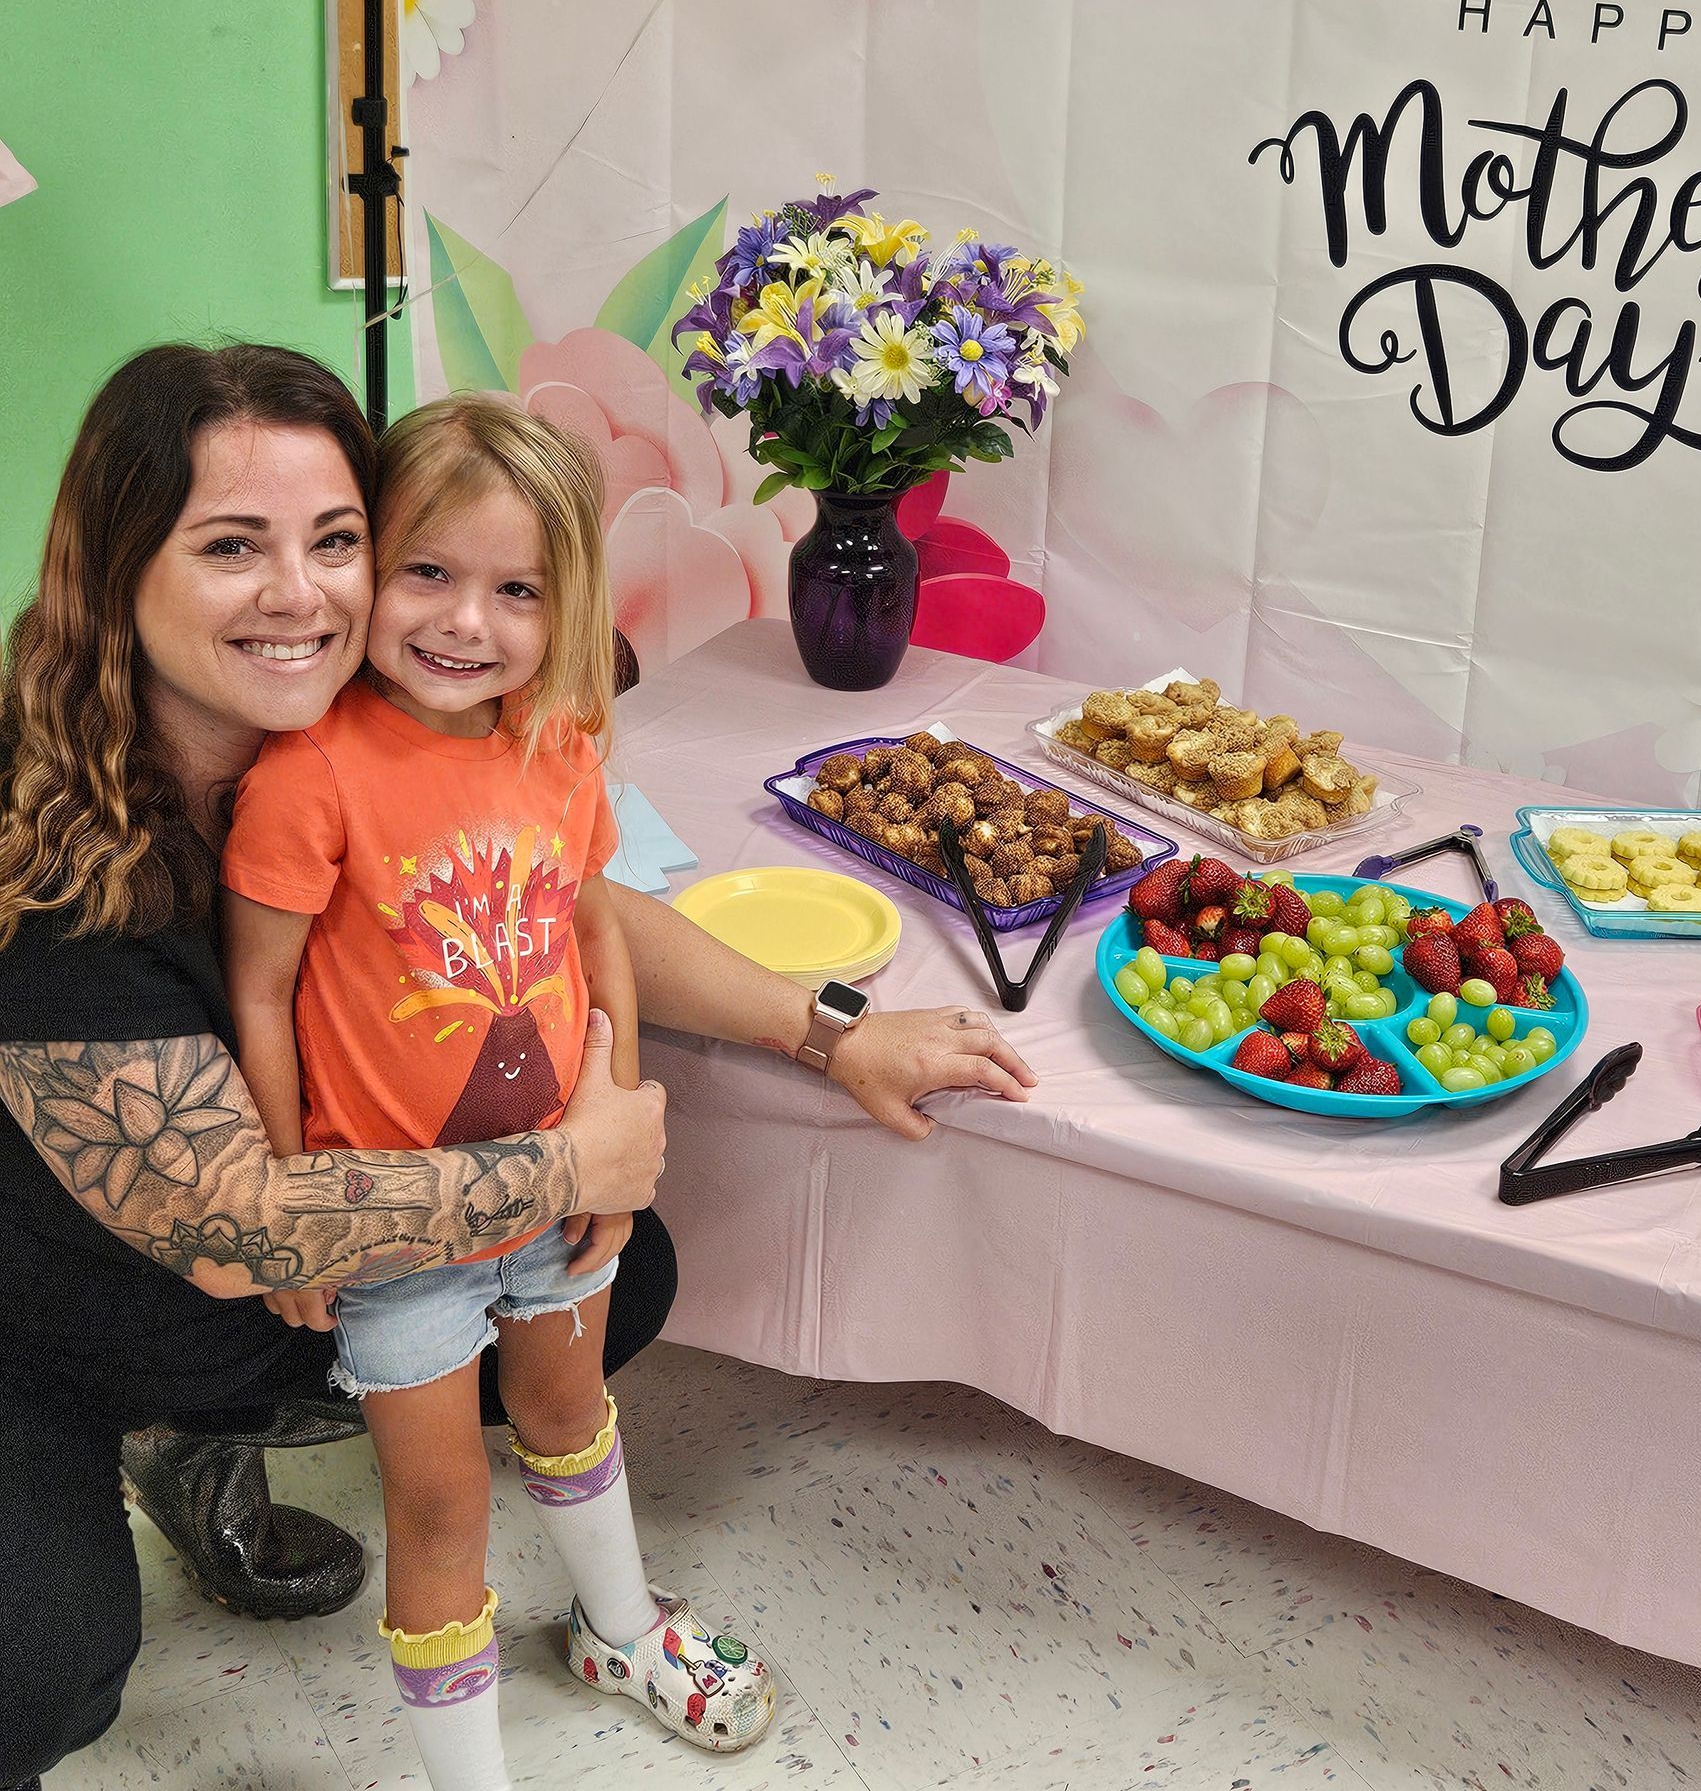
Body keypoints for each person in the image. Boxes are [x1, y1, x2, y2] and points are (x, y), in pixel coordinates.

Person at [0, 341, 1036, 1789]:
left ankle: (221, 1440)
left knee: (624, 1279)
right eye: (232, 547)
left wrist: (833, 1027)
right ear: (118, 568)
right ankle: (154, 1432)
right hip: (64, 1309)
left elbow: (555, 902)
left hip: (309, 1241)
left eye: (338, 542)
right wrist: (568, 1161)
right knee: (39, 1681)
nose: (303, 595)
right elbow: (236, 1232)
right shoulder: (52, 874)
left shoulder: (372, 726)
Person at [224, 395, 774, 1779]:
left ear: (563, 603)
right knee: (439, 1506)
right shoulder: (310, 774)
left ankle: (620, 1626)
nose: (467, 621)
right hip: (395, 1237)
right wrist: (293, 1205)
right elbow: (258, 995)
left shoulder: (557, 750)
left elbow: (599, 933)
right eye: (430, 572)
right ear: (370, 569)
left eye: (515, 589)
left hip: (558, 1194)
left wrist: (616, 1130)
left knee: (571, 1415)